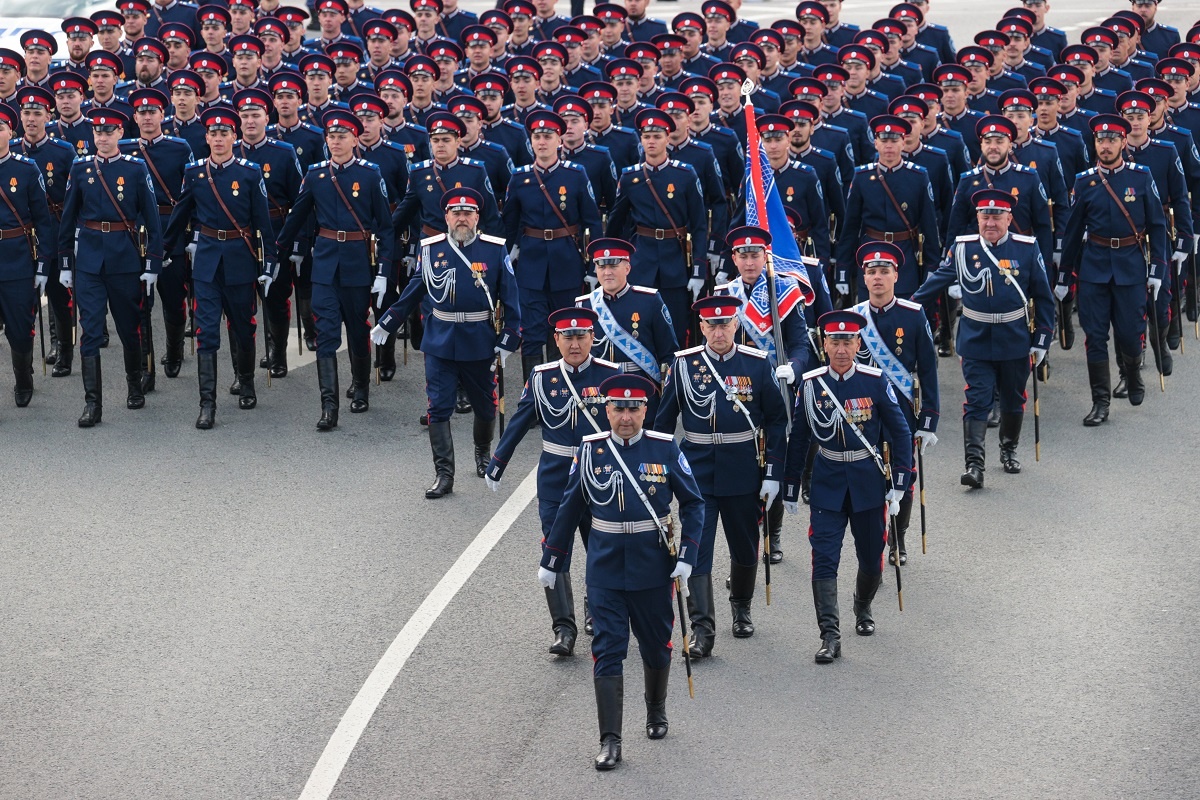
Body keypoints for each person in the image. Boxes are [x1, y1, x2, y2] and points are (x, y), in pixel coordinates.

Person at [538, 373, 702, 771]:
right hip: (605, 567)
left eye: (633, 408)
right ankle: (610, 740)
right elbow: (570, 507)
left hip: (651, 566)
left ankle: (656, 708)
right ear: (606, 410)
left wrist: (687, 554)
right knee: (608, 651)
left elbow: (694, 504)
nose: (625, 416)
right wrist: (552, 559)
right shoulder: (590, 450)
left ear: (645, 410)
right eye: (618, 408)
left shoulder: (664, 448)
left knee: (655, 647)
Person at [653, 295, 787, 655]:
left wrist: (774, 471)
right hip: (696, 469)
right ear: (701, 328)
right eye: (711, 325)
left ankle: (741, 606)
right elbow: (663, 425)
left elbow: (776, 419)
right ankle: (702, 630)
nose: (718, 331)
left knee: (745, 549)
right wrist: (658, 473)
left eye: (725, 323)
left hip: (743, 466)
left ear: (737, 325)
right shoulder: (683, 365)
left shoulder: (758, 364)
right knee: (696, 549)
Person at [485, 307, 621, 654]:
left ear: (593, 338)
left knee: (601, 549)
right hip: (556, 476)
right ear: (556, 340)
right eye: (567, 338)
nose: (575, 345)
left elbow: (627, 427)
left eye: (581, 337)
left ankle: (598, 610)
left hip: (599, 475)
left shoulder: (610, 375)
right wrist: (498, 461)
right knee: (554, 549)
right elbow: (520, 420)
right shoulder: (543, 377)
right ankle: (563, 629)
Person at [373, 189, 521, 497]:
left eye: (468, 213)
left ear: (477, 217)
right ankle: (444, 474)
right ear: (446, 218)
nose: (462, 218)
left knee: (485, 406)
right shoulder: (430, 249)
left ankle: (482, 453)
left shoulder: (494, 250)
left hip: (479, 340)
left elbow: (512, 303)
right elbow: (413, 292)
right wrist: (387, 322)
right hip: (439, 340)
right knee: (438, 407)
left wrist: (508, 340)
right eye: (456, 213)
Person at [782, 310, 911, 663]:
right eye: (835, 341)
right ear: (824, 344)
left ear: (858, 344)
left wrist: (900, 482)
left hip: (868, 481)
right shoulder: (810, 384)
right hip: (827, 481)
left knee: (871, 558)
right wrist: (791, 484)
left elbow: (900, 432)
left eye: (848, 342)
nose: (841, 349)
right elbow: (800, 438)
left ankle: (863, 603)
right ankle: (829, 635)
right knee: (824, 559)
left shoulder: (874, 381)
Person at [912, 190, 1053, 486]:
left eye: (997, 216)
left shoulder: (1026, 248)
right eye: (985, 216)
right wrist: (907, 308)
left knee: (1013, 399)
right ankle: (974, 465)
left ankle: (1009, 448)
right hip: (975, 337)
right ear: (977, 218)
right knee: (977, 399)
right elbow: (937, 280)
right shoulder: (963, 248)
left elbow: (1043, 296)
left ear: (1009, 219)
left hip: (1014, 338)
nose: (990, 222)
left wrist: (1042, 339)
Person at [276, 108, 394, 430]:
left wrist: (384, 270)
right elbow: (296, 218)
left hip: (358, 263)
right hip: (325, 265)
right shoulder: (315, 175)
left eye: (343, 136)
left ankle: (361, 388)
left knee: (357, 330)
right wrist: (275, 255)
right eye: (331, 136)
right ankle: (329, 407)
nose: (336, 142)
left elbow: (385, 227)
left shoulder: (370, 174)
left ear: (355, 139)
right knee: (326, 335)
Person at [165, 107, 278, 430]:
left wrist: (268, 261)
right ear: (206, 138)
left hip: (240, 259)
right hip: (207, 261)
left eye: (224, 133)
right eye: (213, 134)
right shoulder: (195, 173)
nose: (218, 139)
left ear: (234, 136)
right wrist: (164, 251)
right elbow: (180, 216)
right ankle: (207, 404)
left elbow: (262, 223)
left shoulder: (249, 172)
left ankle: (246, 381)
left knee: (243, 327)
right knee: (206, 333)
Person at [1056, 114, 1168, 425]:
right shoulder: (1084, 181)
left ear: (1123, 141)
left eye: (1112, 140)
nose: (1105, 146)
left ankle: (1132, 375)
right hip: (1094, 267)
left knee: (1131, 334)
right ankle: (1100, 402)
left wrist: (1158, 268)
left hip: (1131, 265)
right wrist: (1064, 275)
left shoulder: (1141, 177)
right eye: (1100, 140)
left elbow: (1158, 227)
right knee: (1095, 336)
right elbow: (1073, 231)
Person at [58, 108, 164, 427]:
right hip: (89, 260)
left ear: (120, 133)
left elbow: (152, 219)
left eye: (109, 132)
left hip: (124, 259)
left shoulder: (134, 168)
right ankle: (93, 403)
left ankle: (134, 384)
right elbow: (67, 219)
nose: (102, 138)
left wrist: (152, 263)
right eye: (98, 132)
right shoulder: (80, 169)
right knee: (90, 331)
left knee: (128, 328)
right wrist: (65, 262)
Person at [714, 226, 812, 562]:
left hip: (774, 385)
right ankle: (745, 544)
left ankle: (773, 532)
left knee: (776, 457)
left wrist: (795, 368)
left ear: (765, 256)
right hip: (736, 390)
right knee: (742, 465)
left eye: (755, 254)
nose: (749, 261)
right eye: (743, 255)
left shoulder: (785, 290)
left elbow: (801, 343)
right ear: (734, 259)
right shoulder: (723, 294)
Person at [851, 241, 938, 564]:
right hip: (863, 413)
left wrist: (928, 420)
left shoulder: (913, 316)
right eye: (872, 272)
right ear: (864, 277)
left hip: (902, 414)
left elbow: (928, 370)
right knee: (872, 477)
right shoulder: (854, 319)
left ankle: (898, 541)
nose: (877, 278)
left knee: (904, 475)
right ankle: (876, 539)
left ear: (895, 276)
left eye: (883, 272)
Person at [501, 109, 601, 382]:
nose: (542, 142)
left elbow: (594, 222)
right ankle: (534, 396)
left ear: (559, 140)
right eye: (537, 137)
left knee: (566, 330)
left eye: (548, 136)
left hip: (566, 260)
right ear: (530, 142)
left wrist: (595, 265)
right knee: (531, 334)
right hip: (531, 262)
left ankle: (565, 391)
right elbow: (509, 223)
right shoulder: (520, 177)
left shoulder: (575, 174)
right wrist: (506, 257)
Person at [606, 107, 708, 347]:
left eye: (657, 136)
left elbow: (700, 225)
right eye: (647, 136)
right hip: (642, 260)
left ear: (667, 138)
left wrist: (698, 271)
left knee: (676, 328)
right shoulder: (631, 177)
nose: (651, 141)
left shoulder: (685, 174)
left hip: (675, 260)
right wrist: (611, 264)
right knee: (640, 328)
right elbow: (615, 224)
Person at [120, 87, 196, 389]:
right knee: (139, 305)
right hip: (136, 233)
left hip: (170, 230)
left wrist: (192, 232)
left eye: (153, 112)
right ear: (135, 117)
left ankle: (174, 351)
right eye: (142, 112)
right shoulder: (124, 148)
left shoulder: (179, 148)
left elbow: (191, 194)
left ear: (162, 116)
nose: (147, 117)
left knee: (174, 300)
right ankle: (145, 366)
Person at [835, 114, 940, 303]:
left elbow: (929, 226)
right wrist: (843, 267)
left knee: (903, 319)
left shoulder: (918, 176)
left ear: (903, 141)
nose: (889, 146)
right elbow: (850, 226)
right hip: (870, 251)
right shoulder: (862, 177)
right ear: (875, 143)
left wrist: (932, 267)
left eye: (894, 140)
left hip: (905, 255)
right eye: (884, 140)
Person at [575, 238, 678, 423]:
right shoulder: (584, 305)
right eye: (601, 267)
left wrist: (668, 401)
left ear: (627, 268)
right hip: (599, 392)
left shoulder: (650, 300)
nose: (607, 273)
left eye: (613, 266)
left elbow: (669, 355)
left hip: (641, 389)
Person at [0, 103, 55, 412]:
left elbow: (43, 221)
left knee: (20, 331)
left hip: (17, 260)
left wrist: (44, 264)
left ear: (11, 132)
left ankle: (23, 377)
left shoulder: (25, 169)